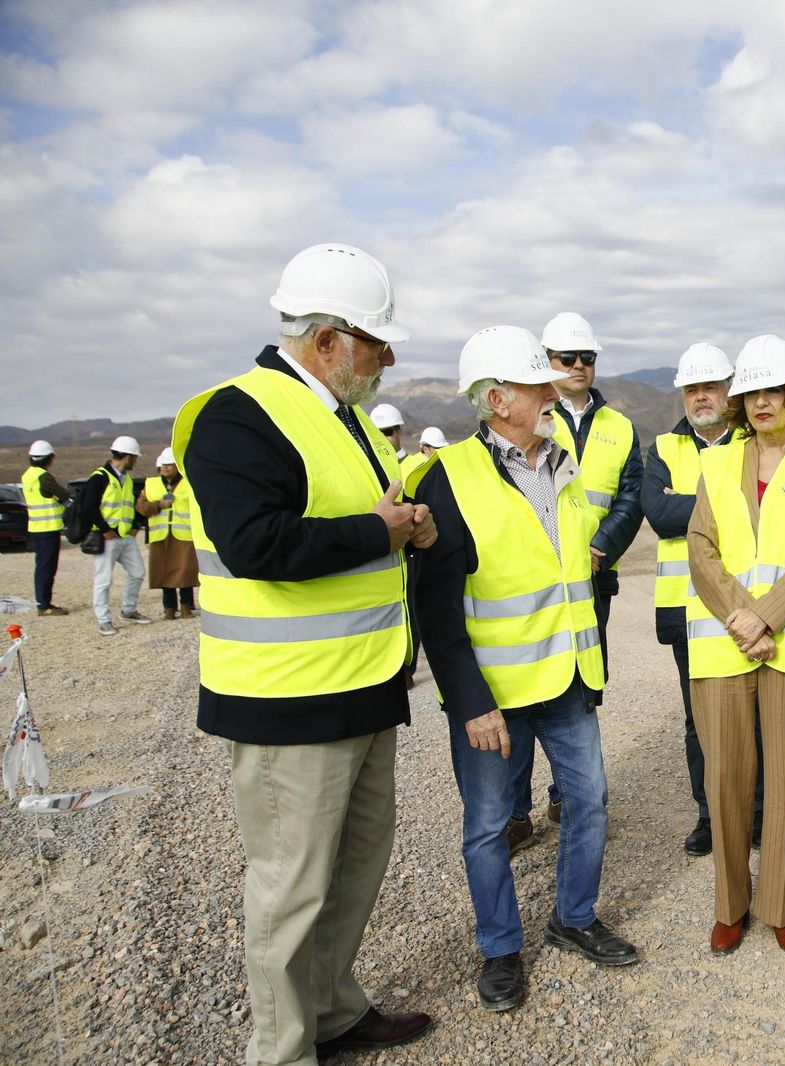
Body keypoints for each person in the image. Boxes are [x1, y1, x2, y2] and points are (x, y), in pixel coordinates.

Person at [173, 242, 434, 1066]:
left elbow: (366, 522)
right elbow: (257, 544)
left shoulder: (345, 420)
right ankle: (282, 1048)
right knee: (292, 888)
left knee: (353, 870)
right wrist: (379, 532)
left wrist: (408, 528)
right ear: (326, 340)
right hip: (288, 701)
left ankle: (331, 1011)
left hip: (362, 686)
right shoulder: (236, 416)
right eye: (376, 342)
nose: (388, 359)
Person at [412, 325, 639, 1013]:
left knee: (589, 802)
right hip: (494, 695)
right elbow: (436, 606)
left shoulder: (563, 462)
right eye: (536, 385)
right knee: (488, 827)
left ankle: (574, 918)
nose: (551, 394)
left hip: (568, 680)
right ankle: (500, 949)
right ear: (495, 399)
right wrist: (469, 701)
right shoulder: (448, 476)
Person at [686, 334, 785, 957]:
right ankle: (730, 906)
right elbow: (701, 548)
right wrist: (742, 618)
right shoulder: (716, 465)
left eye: (773, 389)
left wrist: (766, 619)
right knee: (725, 778)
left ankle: (780, 907)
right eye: (751, 391)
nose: (761, 402)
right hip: (724, 642)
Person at [643, 343, 767, 857]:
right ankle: (710, 816)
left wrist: (689, 504)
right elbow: (658, 515)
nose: (700, 397)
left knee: (754, 715)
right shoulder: (662, 449)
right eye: (691, 389)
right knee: (700, 720)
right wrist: (729, 502)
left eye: (710, 387)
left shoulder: (756, 441)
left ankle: (756, 816)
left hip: (745, 604)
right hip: (685, 608)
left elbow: (765, 505)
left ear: (728, 390)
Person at [522, 311, 643, 828]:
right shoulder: (529, 415)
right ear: (546, 360)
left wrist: (600, 546)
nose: (577, 365)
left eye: (586, 357)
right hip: (534, 576)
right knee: (526, 684)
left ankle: (567, 793)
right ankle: (515, 809)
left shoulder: (620, 427)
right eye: (566, 357)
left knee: (580, 684)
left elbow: (631, 497)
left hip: (594, 575)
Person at [81, 435, 152, 635]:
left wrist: (136, 525)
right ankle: (104, 620)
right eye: (135, 457)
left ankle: (128, 610)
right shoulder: (100, 477)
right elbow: (88, 507)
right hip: (107, 538)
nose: (135, 461)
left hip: (125, 537)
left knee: (137, 572)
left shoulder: (127, 480)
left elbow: (131, 505)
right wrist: (105, 530)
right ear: (128, 456)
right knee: (103, 580)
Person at [135, 446, 199, 619]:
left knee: (185, 572)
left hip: (184, 535)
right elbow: (141, 507)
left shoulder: (189, 483)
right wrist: (158, 505)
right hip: (160, 536)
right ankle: (169, 609)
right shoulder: (151, 484)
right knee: (164, 573)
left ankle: (186, 607)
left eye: (169, 465)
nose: (165, 468)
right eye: (163, 465)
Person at [20, 440, 71, 616]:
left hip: (36, 526)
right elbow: (64, 494)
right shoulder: (44, 476)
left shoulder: (27, 475)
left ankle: (42, 602)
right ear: (50, 458)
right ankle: (44, 605)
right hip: (48, 527)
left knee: (41, 565)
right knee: (47, 567)